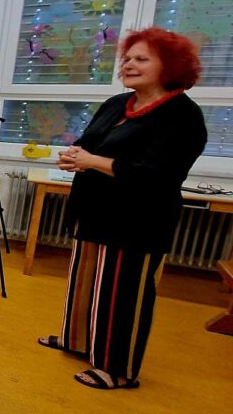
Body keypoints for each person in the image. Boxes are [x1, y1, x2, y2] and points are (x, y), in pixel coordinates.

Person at [39, 27, 208, 390]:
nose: (129, 64)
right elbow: (88, 142)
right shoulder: (118, 103)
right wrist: (74, 157)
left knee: (123, 292)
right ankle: (77, 341)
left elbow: (156, 174)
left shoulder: (182, 116)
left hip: (138, 218)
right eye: (127, 58)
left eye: (141, 59)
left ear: (169, 66)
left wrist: (93, 161)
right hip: (94, 209)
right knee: (85, 281)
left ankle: (118, 369)